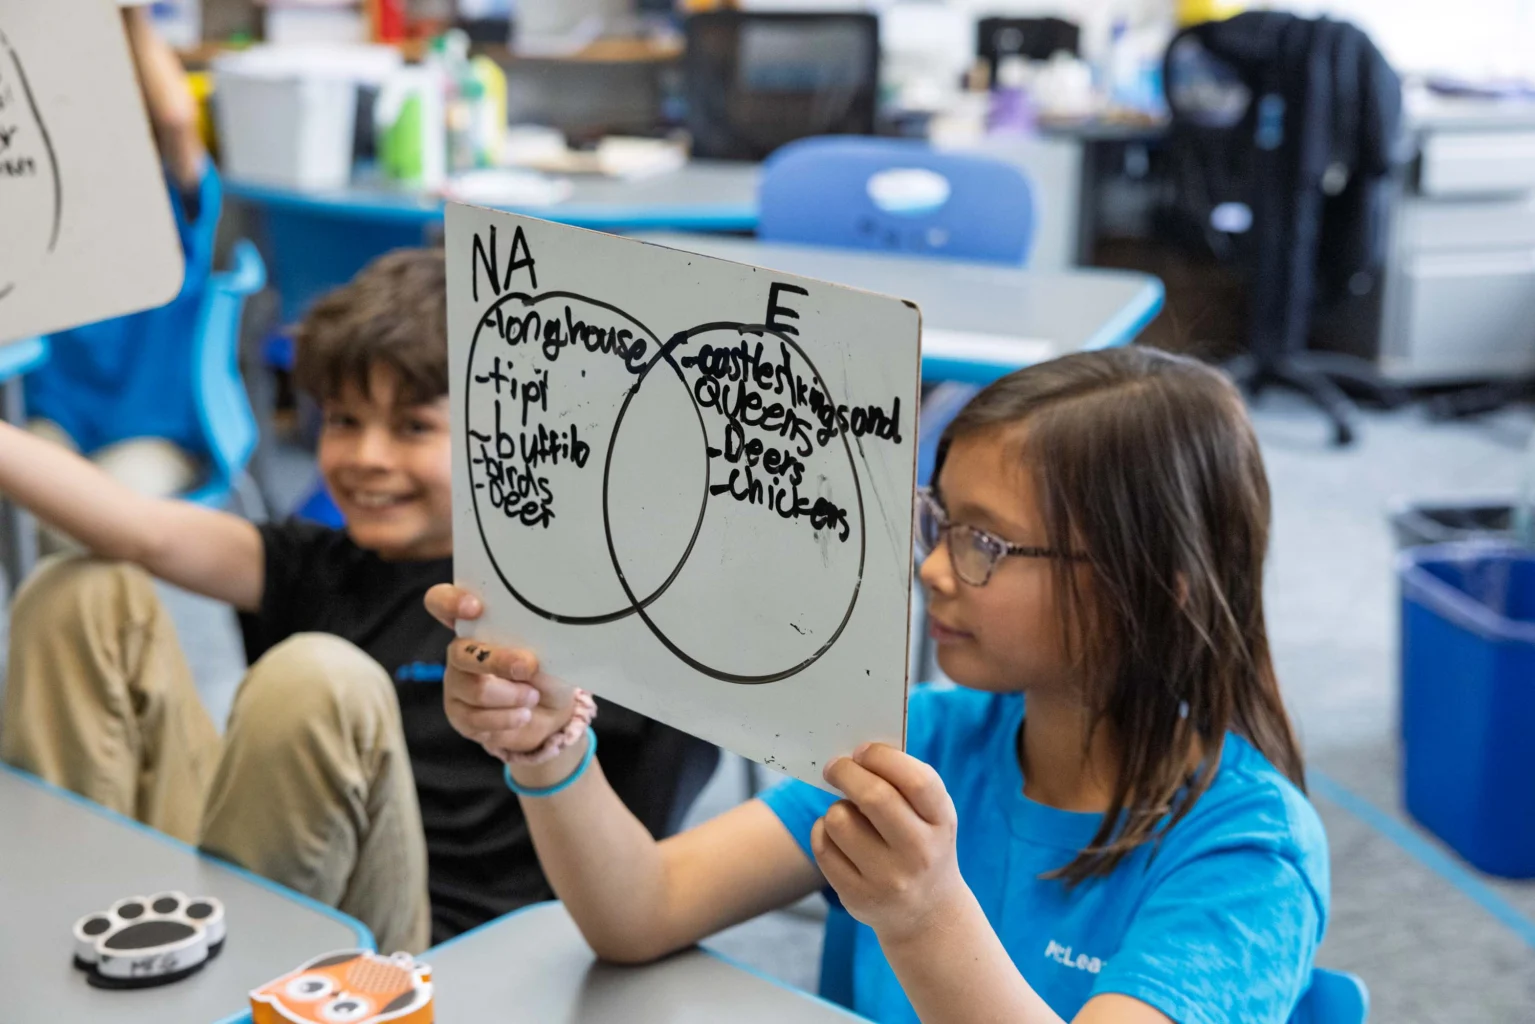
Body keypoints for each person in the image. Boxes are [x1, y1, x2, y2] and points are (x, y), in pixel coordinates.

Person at [427, 346, 1329, 1023]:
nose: (933, 570)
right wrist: (546, 745)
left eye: (986, 543)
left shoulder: (1249, 853)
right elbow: (641, 912)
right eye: (938, 523)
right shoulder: (926, 739)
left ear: (1148, 584)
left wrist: (922, 913)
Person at [0, 249, 715, 954]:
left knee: (320, 676)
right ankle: (87, 944)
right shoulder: (317, 563)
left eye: (412, 428)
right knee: (83, 592)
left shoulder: (572, 606)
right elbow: (139, 528)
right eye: (343, 420)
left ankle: (211, 983)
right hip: (270, 877)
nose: (367, 455)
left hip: (425, 949)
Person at [24, 5, 218, 504]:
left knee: (97, 514)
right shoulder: (43, 205)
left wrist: (130, 15)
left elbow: (176, 117)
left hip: (151, 430)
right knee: (35, 500)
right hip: (58, 416)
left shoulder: (177, 195)